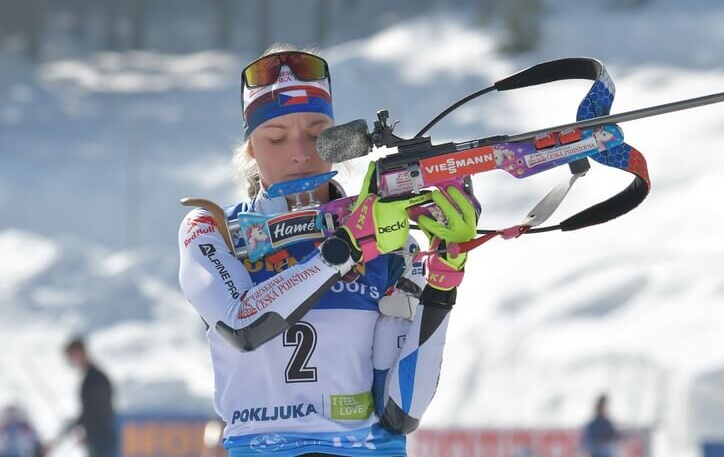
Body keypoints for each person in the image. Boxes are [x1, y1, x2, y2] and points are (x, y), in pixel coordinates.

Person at [178, 45, 479, 457]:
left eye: (318, 134)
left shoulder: (389, 242)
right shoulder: (213, 229)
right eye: (276, 137)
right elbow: (243, 326)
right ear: (250, 147)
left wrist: (444, 276)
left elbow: (399, 413)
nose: (300, 152)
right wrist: (339, 253)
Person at [61, 337, 117, 457]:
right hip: (98, 440)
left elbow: (100, 412)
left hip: (102, 441)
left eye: (71, 356)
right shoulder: (90, 378)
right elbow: (88, 413)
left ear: (79, 352)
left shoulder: (96, 378)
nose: (71, 361)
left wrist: (90, 434)